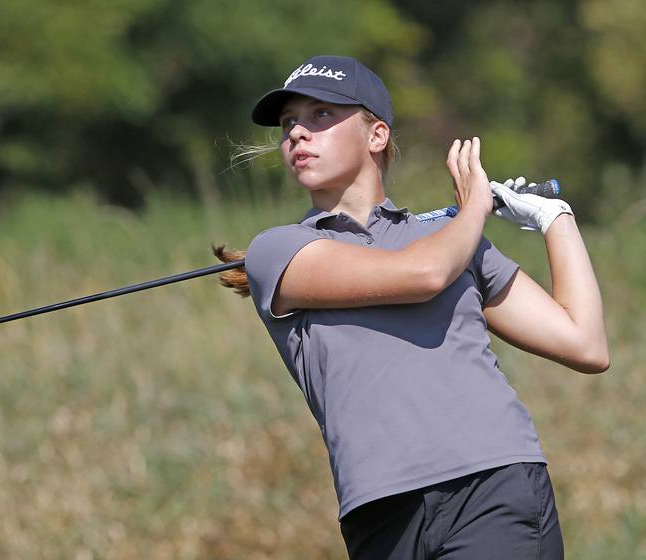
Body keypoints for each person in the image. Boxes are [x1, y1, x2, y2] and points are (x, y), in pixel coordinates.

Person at [215, 55, 609, 559]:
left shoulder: (450, 238)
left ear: (376, 135)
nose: (297, 134)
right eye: (290, 123)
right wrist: (473, 210)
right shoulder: (277, 250)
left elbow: (586, 344)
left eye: (320, 116)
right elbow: (424, 275)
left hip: (492, 488)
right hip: (381, 515)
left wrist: (556, 219)